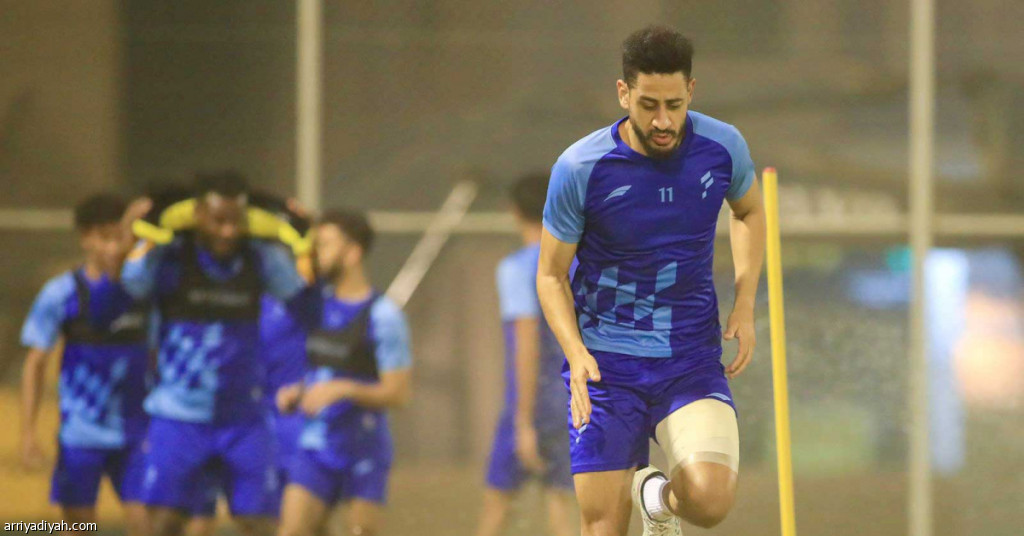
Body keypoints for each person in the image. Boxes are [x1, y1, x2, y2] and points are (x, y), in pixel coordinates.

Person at [536, 25, 766, 536]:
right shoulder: (579, 167)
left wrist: (746, 302)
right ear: (623, 94)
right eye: (648, 105)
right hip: (605, 367)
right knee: (603, 526)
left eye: (674, 105)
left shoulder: (722, 146)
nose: (663, 121)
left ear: (691, 92)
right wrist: (575, 353)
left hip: (689, 358)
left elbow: (749, 210)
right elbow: (550, 276)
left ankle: (656, 500)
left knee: (709, 502)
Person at [121, 171, 308, 536]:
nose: (227, 231)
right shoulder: (169, 256)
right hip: (178, 417)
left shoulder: (261, 258)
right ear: (198, 214)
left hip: (244, 418)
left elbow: (305, 300)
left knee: (259, 523)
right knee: (163, 523)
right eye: (218, 220)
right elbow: (129, 286)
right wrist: (138, 234)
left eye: (236, 220)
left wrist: (305, 237)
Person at [20, 193, 152, 535]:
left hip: (136, 435)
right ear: (85, 238)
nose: (114, 248)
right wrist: (28, 432)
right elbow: (35, 363)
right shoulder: (61, 292)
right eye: (105, 238)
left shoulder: (144, 291)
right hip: (80, 436)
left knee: (150, 525)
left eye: (121, 237)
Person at [276, 209, 413, 536]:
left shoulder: (383, 316)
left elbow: (398, 393)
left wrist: (343, 389)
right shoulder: (315, 306)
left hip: (362, 448)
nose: (316, 254)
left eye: (324, 245)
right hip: (315, 445)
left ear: (352, 253)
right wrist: (298, 391)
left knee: (360, 530)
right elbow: (319, 371)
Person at [475, 174, 575, 536]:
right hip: (573, 396)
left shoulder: (518, 268)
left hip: (535, 401)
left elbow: (527, 343)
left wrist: (522, 421)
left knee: (497, 507)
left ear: (514, 211)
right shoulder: (577, 262)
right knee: (562, 504)